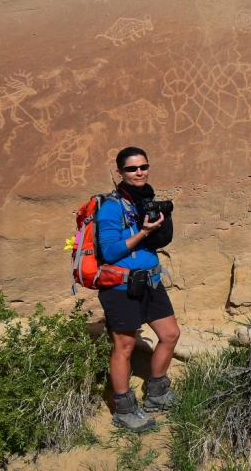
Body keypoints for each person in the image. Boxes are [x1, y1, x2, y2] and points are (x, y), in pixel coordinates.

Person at [97, 146, 180, 432]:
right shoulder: (112, 206)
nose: (139, 172)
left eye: (143, 166)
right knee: (125, 346)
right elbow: (109, 252)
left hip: (150, 281)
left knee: (170, 334)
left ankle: (156, 395)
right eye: (132, 169)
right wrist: (143, 233)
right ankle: (124, 409)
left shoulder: (146, 201)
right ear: (120, 172)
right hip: (120, 286)